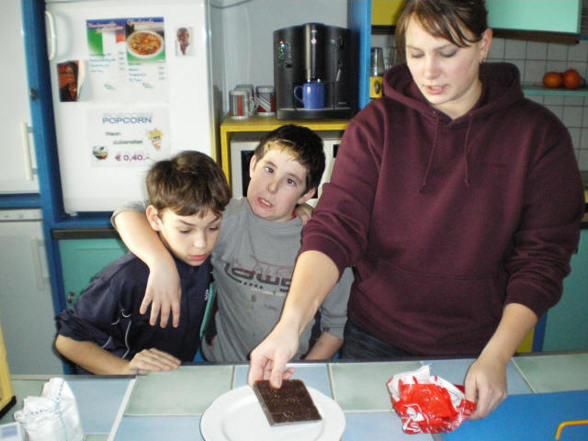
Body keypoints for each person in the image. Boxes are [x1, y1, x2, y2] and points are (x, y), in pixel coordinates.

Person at [247, 0, 585, 420]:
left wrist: (498, 354)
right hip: (374, 339)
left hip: (480, 347)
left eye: (448, 53)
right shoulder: (376, 127)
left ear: (484, 45)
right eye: (416, 53)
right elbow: (335, 229)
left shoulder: (538, 137)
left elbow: (542, 259)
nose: (429, 72)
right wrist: (290, 326)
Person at [112, 125, 353, 362]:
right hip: (222, 364)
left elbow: (335, 329)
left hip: (290, 368)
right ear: (252, 165)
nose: (271, 187)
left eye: (290, 181)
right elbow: (128, 212)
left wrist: (303, 371)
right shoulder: (220, 218)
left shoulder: (324, 245)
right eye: (268, 169)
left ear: (306, 194)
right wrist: (160, 263)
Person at [54, 151, 231, 375]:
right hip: (119, 385)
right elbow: (67, 342)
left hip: (168, 379)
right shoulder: (127, 277)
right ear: (155, 219)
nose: (201, 244)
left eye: (213, 227)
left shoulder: (203, 260)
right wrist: (127, 369)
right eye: (185, 230)